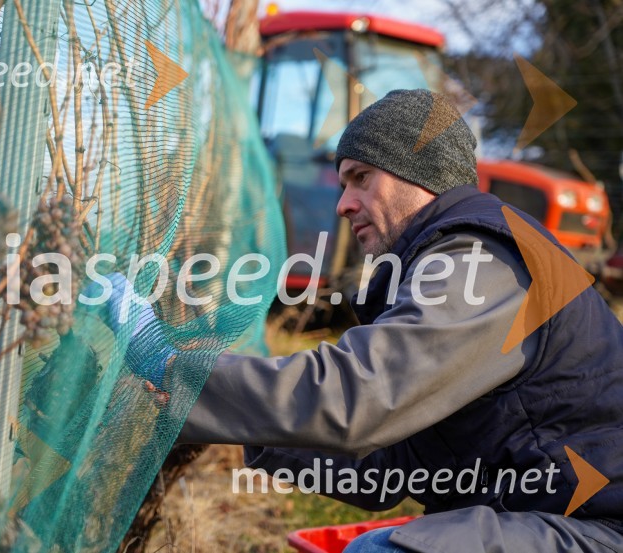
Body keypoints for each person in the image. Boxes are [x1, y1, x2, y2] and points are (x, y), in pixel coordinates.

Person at [119, 89, 623, 552]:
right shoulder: (441, 265)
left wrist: (167, 363)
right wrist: (241, 424)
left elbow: (359, 394)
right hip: (541, 515)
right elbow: (387, 470)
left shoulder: (485, 261)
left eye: (362, 177)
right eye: (343, 183)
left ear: (419, 175)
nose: (343, 204)